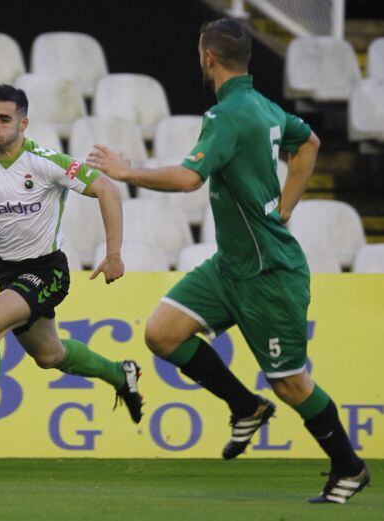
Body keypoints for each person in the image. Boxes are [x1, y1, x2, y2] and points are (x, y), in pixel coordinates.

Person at [87, 18, 369, 504]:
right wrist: (284, 207)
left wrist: (126, 170)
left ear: (207, 57)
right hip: (231, 265)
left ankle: (349, 467)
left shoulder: (228, 115)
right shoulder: (263, 107)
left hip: (267, 275)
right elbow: (310, 144)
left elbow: (188, 179)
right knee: (162, 332)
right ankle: (244, 406)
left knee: (292, 384)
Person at [0, 84, 144, 458]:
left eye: (3, 119)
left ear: (23, 123)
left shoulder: (45, 161)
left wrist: (114, 254)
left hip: (47, 271)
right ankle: (120, 374)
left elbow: (107, 190)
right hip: (9, 274)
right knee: (50, 356)